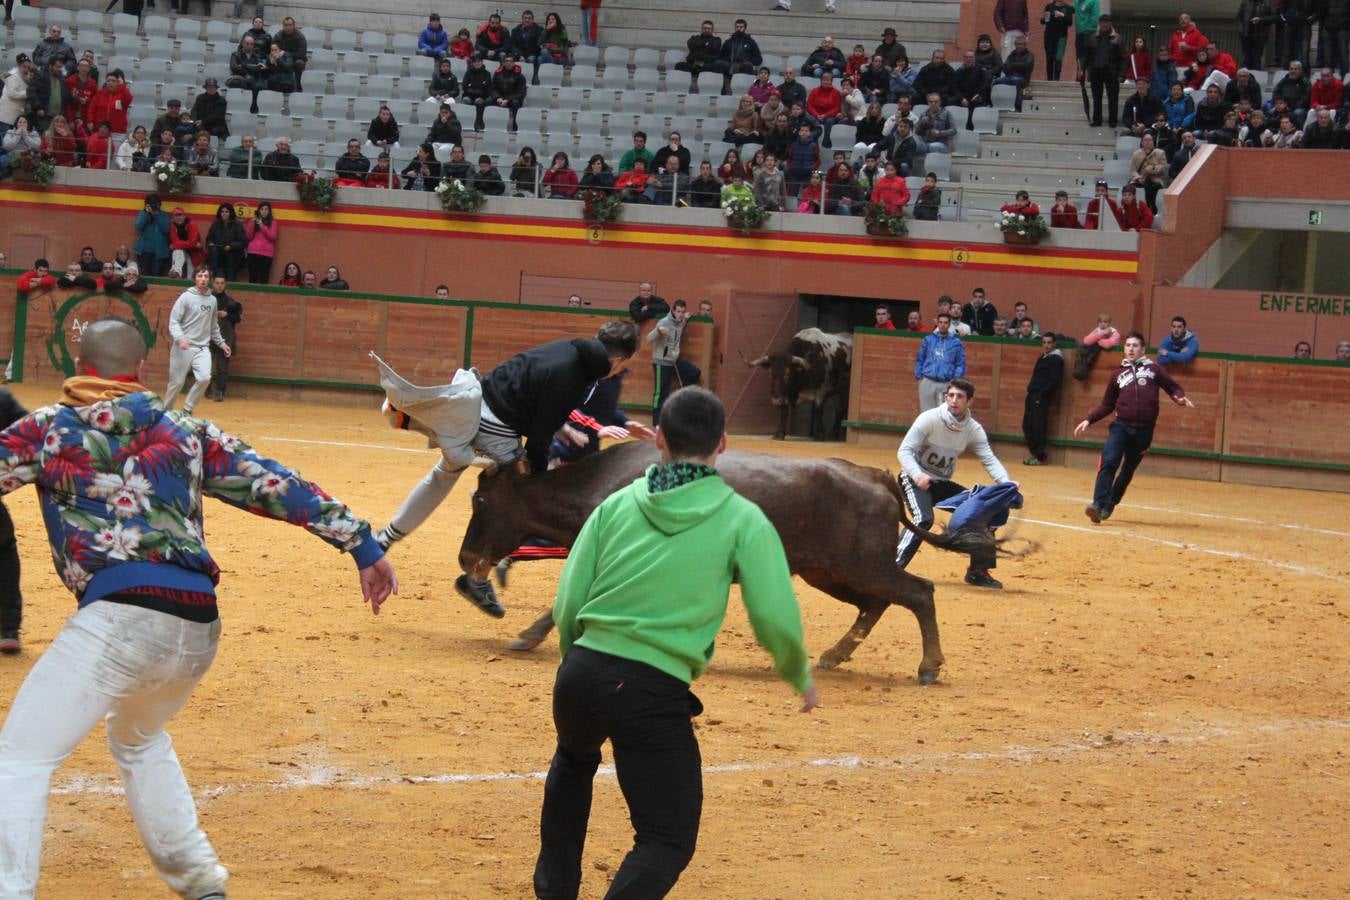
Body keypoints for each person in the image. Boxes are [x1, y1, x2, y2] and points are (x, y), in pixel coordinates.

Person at [0, 316, 396, 898]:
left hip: (117, 620)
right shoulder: (184, 428)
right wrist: (360, 543)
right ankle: (200, 881)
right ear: (139, 370)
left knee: (21, 760)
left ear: (78, 367)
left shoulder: (48, 430)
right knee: (137, 738)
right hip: (195, 625)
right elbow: (271, 482)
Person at [534, 386, 818, 900]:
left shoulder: (616, 504)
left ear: (658, 440)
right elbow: (773, 613)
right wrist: (799, 673)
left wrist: (576, 659)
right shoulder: (741, 518)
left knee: (572, 766)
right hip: (649, 687)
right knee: (666, 839)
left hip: (581, 670)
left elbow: (569, 600)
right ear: (724, 444)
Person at [374, 320, 641, 614]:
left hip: (475, 405)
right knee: (517, 500)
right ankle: (476, 575)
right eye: (621, 367)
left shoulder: (569, 349)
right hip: (496, 427)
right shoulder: (577, 377)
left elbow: (536, 394)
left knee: (443, 475)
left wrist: (561, 428)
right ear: (617, 361)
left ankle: (385, 538)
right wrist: (535, 478)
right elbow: (538, 438)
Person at [896, 378, 1012, 588]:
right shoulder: (929, 419)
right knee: (923, 519)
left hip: (940, 484)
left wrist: (1006, 484)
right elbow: (904, 451)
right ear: (945, 397)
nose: (954, 400)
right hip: (913, 479)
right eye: (951, 395)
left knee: (987, 509)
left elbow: (989, 459)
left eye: (960, 397)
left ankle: (977, 571)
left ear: (970, 401)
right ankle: (893, 567)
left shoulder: (973, 429)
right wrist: (917, 475)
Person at [1075, 331, 1195, 522]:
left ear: (1143, 349)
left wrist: (1179, 398)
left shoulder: (1154, 369)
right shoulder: (1117, 374)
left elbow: (1172, 387)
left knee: (1127, 469)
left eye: (1135, 345)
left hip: (1144, 430)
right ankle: (1097, 505)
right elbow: (1108, 404)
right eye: (1128, 345)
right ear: (1124, 349)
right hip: (1121, 426)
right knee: (1109, 461)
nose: (1131, 349)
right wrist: (1089, 419)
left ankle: (1111, 502)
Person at [163, 269, 232, 415]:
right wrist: (180, 338)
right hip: (183, 347)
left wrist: (222, 343)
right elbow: (174, 321)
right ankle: (166, 411)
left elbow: (213, 326)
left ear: (210, 280)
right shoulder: (185, 298)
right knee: (176, 383)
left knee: (204, 378)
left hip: (202, 347)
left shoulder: (212, 300)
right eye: (200, 276)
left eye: (206, 276)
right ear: (195, 278)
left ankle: (187, 409)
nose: (203, 279)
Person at [647, 299, 701, 425]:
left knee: (694, 372)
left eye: (682, 312)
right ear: (673, 310)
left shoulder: (681, 321)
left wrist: (686, 318)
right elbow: (648, 339)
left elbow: (682, 322)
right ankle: (656, 425)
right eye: (678, 311)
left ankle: (680, 397)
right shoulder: (664, 322)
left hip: (674, 360)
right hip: (662, 361)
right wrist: (658, 331)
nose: (680, 314)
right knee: (660, 394)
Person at [1022, 332, 1064, 465]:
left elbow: (1054, 380)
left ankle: (1039, 456)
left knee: (1038, 425)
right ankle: (1035, 454)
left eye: (1049, 343)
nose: (1046, 345)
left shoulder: (1056, 359)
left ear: (1054, 344)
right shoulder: (1043, 357)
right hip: (1033, 394)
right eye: (1044, 342)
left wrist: (1042, 394)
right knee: (1028, 425)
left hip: (1041, 396)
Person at [914, 312, 966, 410]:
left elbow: (960, 364)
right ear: (937, 323)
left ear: (949, 324)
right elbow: (920, 358)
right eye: (941, 322)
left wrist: (955, 381)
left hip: (946, 382)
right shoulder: (928, 340)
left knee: (945, 414)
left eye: (945, 323)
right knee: (926, 414)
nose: (943, 325)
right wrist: (919, 377)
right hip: (928, 380)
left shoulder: (956, 343)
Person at [1083, 14, 1124, 128]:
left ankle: (1112, 121)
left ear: (1111, 24)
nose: (1105, 24)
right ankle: (1097, 121)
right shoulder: (1091, 38)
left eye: (1107, 22)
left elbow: (1123, 58)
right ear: (1099, 23)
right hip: (1096, 72)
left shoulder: (1118, 38)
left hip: (1112, 72)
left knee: (1113, 98)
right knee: (1096, 98)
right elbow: (1086, 56)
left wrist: (1121, 74)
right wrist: (1083, 69)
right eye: (1103, 22)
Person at [208, 273, 241, 402]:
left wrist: (227, 314)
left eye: (222, 283)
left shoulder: (230, 302)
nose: (219, 286)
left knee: (222, 366)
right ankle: (207, 389)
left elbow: (237, 318)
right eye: (217, 283)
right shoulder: (206, 299)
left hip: (225, 336)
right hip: (207, 336)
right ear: (213, 284)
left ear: (225, 285)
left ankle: (219, 392)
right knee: (205, 365)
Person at [244, 201, 279, 284]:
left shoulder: (273, 222)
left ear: (269, 211)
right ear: (259, 210)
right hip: (253, 252)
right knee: (252, 278)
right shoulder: (253, 221)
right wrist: (252, 223)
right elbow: (249, 236)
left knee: (264, 279)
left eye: (266, 209)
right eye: (262, 209)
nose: (264, 211)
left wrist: (262, 226)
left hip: (266, 254)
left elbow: (272, 237)